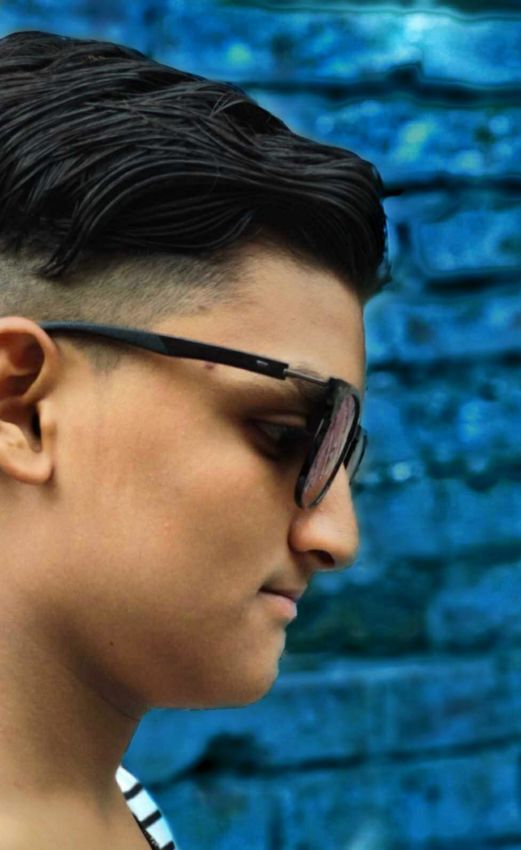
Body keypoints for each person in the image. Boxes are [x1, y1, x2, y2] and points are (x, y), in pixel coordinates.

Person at [0, 29, 389, 849]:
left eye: (341, 453)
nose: (335, 537)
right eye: (282, 434)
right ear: (19, 405)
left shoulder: (121, 806)